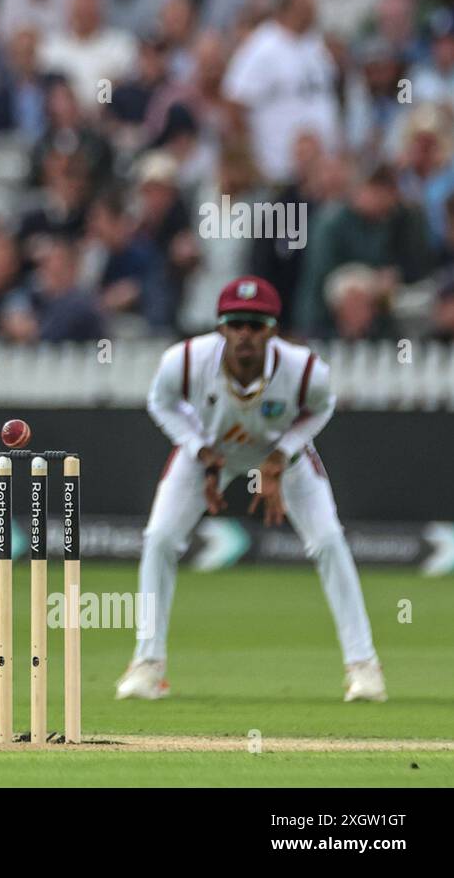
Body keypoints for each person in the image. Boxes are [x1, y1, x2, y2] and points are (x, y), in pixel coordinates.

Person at [117, 276, 385, 703]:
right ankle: (148, 663)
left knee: (330, 541)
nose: (245, 334)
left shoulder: (305, 370)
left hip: (281, 455)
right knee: (160, 538)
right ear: (220, 327)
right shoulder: (184, 361)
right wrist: (199, 451)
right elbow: (161, 402)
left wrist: (281, 456)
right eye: (236, 323)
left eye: (255, 325)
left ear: (273, 329)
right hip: (210, 451)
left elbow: (322, 407)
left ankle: (364, 666)